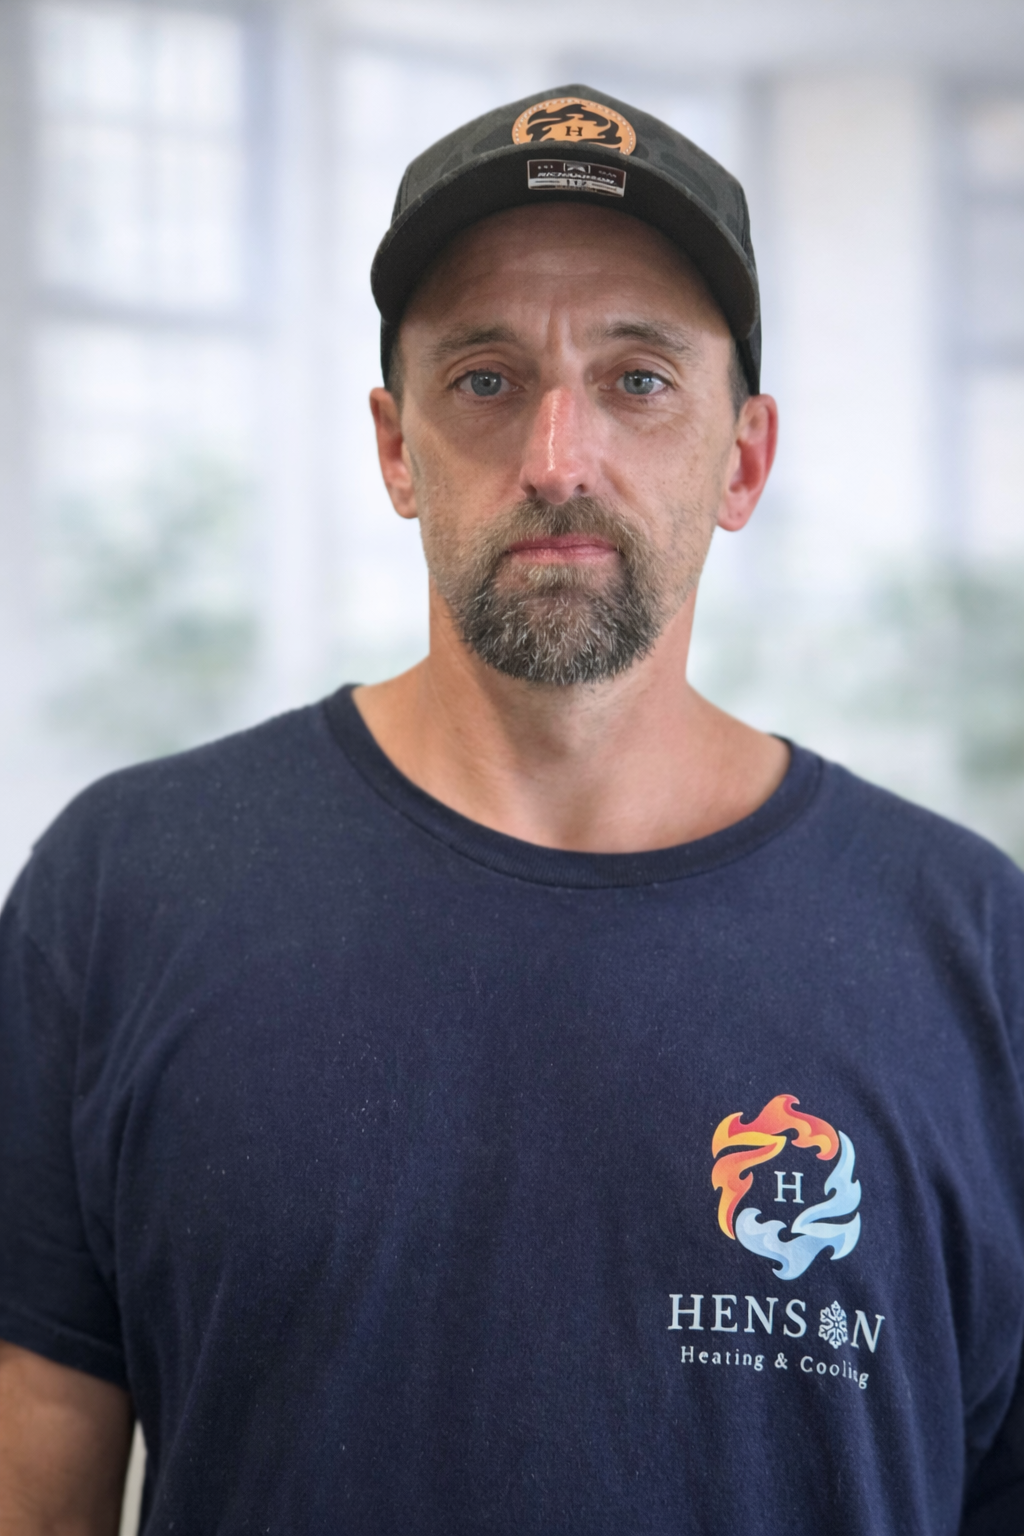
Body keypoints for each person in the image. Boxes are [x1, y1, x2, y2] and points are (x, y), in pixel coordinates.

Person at [1, 83, 1022, 1536]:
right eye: (485, 377)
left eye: (639, 379)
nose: (558, 457)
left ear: (743, 457)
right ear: (397, 446)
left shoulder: (975, 952)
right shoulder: (126, 892)